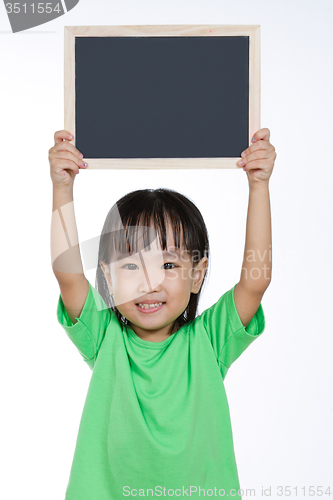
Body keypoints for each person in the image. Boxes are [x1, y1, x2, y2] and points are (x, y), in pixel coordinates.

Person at [49, 128, 276, 499]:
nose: (150, 283)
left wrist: (259, 187)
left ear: (197, 275)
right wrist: (62, 189)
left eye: (168, 264)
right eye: (131, 266)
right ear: (106, 276)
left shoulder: (209, 341)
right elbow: (66, 270)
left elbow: (255, 280)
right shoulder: (104, 337)